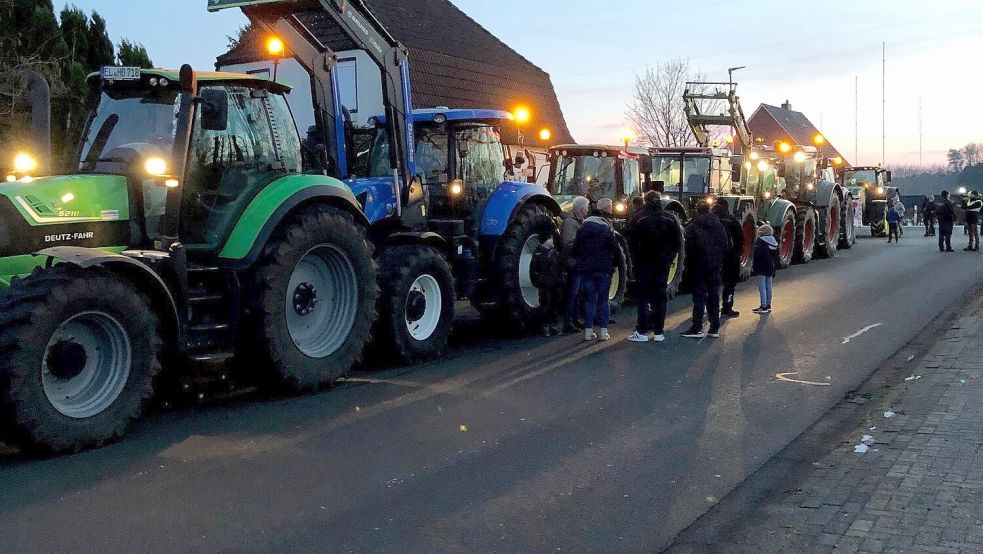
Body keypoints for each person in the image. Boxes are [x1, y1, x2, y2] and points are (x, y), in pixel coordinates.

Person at [626, 191, 682, 343]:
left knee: (644, 296)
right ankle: (658, 331)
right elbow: (677, 242)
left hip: (644, 262)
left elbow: (631, 241)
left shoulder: (639, 218)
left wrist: (635, 259)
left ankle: (642, 331)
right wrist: (669, 257)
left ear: (645, 201)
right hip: (663, 263)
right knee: (660, 296)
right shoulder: (670, 218)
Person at [571, 198, 620, 341]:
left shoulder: (582, 229)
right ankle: (603, 333)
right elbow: (615, 249)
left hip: (587, 270)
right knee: (603, 300)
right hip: (604, 269)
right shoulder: (606, 229)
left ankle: (588, 332)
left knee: (590, 300)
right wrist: (615, 264)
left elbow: (575, 250)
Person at [681, 202, 729, 339]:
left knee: (699, 298)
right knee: (714, 296)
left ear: (697, 210)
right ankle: (714, 328)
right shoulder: (719, 225)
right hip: (714, 266)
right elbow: (725, 244)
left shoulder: (693, 226)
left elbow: (688, 248)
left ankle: (697, 327)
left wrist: (689, 265)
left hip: (698, 266)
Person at [560, 196, 589, 332]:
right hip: (573, 263)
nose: (588, 210)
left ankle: (575, 319)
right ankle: (569, 321)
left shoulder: (579, 221)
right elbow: (568, 244)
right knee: (573, 293)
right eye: (587, 208)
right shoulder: (570, 223)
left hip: (578, 262)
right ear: (582, 209)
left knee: (577, 293)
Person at [712, 200, 744, 318]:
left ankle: (707, 307)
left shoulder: (706, 218)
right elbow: (739, 238)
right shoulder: (731, 219)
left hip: (709, 256)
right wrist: (737, 254)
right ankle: (727, 307)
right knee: (730, 283)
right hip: (728, 256)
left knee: (709, 283)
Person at [529, 237, 562, 336]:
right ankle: (548, 326)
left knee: (550, 304)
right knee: (547, 304)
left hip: (550, 282)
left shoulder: (542, 253)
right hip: (548, 282)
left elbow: (533, 270)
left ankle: (549, 326)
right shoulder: (548, 254)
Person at [752, 224, 781, 314]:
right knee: (769, 287)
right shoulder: (775, 242)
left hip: (762, 266)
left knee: (762, 287)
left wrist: (755, 267)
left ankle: (763, 306)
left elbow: (757, 255)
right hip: (771, 267)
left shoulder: (760, 241)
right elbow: (776, 257)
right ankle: (768, 305)